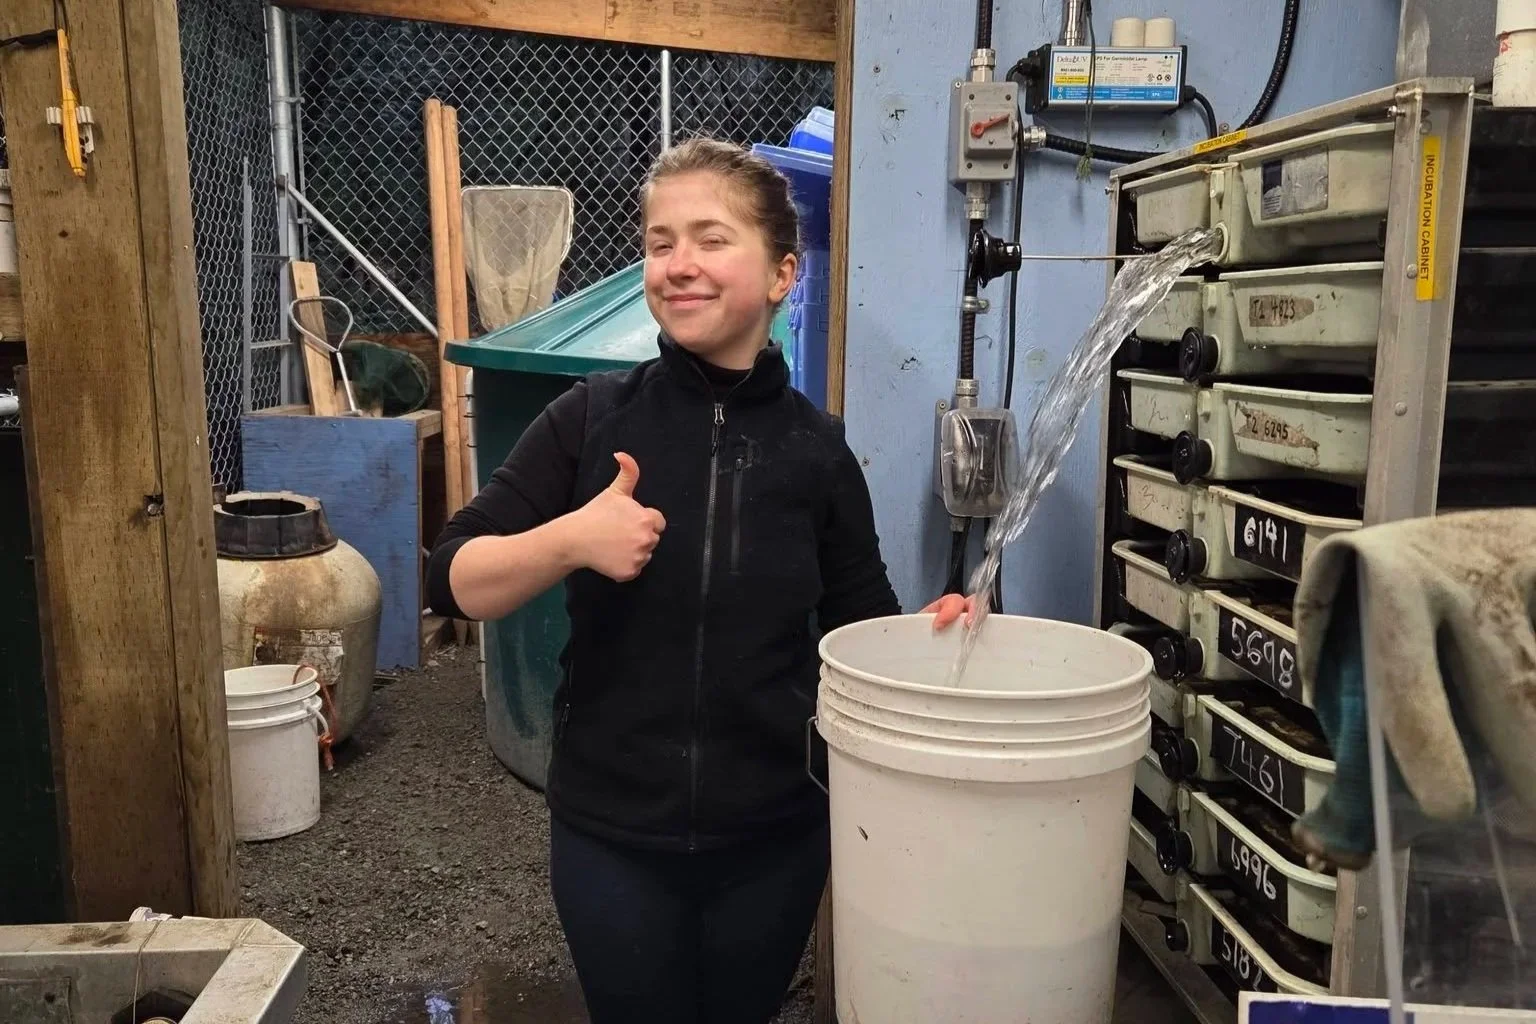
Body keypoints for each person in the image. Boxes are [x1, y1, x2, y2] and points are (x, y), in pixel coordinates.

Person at [427, 137, 973, 1024]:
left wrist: (932, 633)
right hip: (612, 831)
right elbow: (451, 579)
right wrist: (571, 537)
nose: (678, 265)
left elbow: (858, 630)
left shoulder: (818, 451)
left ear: (783, 273)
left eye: (711, 239)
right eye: (659, 242)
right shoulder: (589, 419)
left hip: (775, 834)